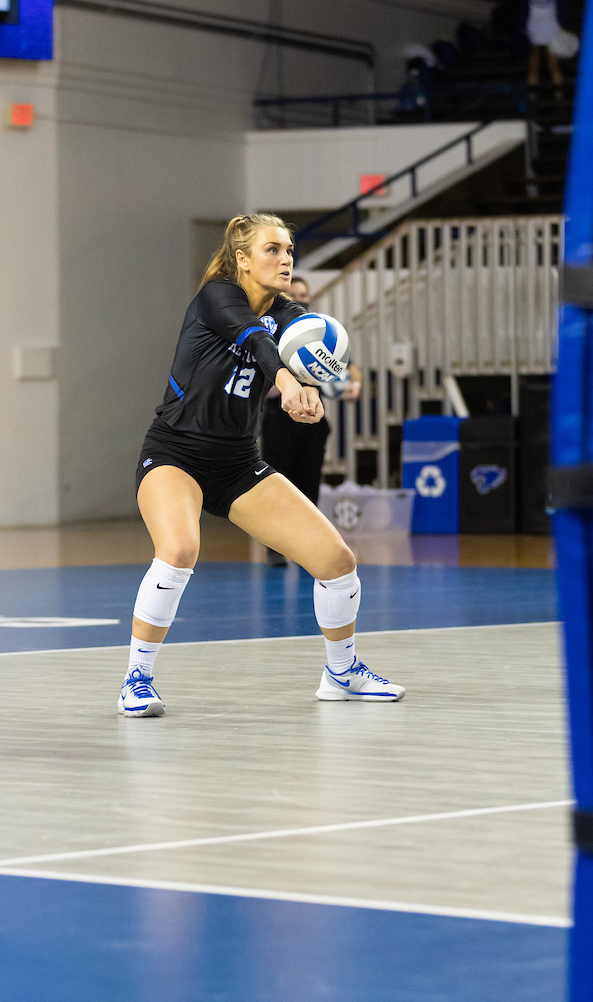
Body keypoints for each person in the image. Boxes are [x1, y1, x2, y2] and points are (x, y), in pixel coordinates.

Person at [118, 213, 404, 718]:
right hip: (174, 452)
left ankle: (341, 672)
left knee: (337, 563)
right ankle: (136, 679)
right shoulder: (215, 297)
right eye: (273, 249)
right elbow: (255, 340)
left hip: (237, 462)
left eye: (290, 249)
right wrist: (287, 381)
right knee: (180, 549)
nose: (286, 257)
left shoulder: (290, 311)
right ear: (243, 259)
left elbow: (311, 348)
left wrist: (313, 388)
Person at [260, 275, 361, 566]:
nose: (298, 299)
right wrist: (284, 386)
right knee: (277, 482)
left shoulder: (318, 336)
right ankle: (276, 548)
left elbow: (350, 369)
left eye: (304, 295)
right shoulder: (271, 334)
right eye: (293, 294)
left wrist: (353, 386)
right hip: (279, 419)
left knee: (309, 483)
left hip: (312, 420)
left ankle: (307, 545)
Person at [521, 0, 564, 90]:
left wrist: (561, 23)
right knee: (535, 61)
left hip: (549, 22)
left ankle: (558, 95)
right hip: (536, 22)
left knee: (551, 61)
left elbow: (561, 4)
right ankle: (534, 95)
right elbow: (524, 5)